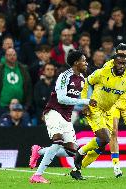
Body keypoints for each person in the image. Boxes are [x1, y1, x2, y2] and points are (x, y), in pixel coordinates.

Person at [70, 52, 126, 180]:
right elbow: (87, 82)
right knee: (105, 137)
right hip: (95, 108)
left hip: (108, 111)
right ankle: (80, 154)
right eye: (119, 63)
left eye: (124, 63)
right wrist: (85, 103)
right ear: (113, 62)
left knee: (102, 144)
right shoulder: (102, 72)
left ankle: (78, 165)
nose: (122, 66)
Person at [29, 50, 95, 184]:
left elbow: (77, 99)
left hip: (67, 116)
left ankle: (39, 151)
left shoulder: (82, 79)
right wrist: (85, 102)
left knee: (72, 151)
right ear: (76, 63)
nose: (86, 62)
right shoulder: (64, 76)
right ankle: (37, 175)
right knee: (57, 142)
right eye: (83, 60)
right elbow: (62, 98)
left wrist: (87, 105)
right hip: (54, 110)